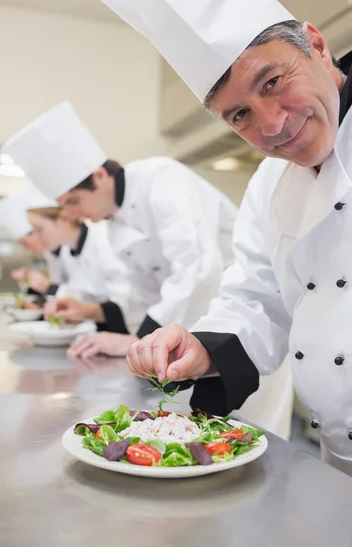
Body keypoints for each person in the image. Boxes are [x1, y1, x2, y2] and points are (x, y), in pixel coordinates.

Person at [102, 0, 352, 498]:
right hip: (340, 473)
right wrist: (202, 347)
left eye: (271, 82)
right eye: (239, 114)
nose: (273, 125)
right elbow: (257, 299)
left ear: (314, 42)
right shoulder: (269, 183)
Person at [5, 101, 294, 438]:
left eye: (73, 202)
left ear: (99, 176)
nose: (74, 214)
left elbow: (197, 269)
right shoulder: (113, 225)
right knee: (200, 441)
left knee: (253, 442)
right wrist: (132, 340)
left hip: (248, 333)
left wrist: (139, 339)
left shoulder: (161, 178)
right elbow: (139, 294)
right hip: (188, 345)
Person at [27, 206, 138, 346]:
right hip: (98, 334)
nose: (36, 237)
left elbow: (129, 301)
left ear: (62, 221)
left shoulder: (103, 241)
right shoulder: (68, 252)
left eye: (39, 229)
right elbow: (83, 293)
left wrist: (83, 310)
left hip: (128, 334)